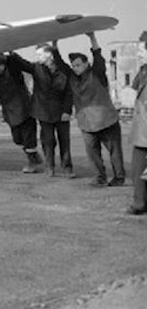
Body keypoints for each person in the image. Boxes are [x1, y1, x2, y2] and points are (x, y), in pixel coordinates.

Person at [60, 32, 125, 187]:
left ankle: (119, 177)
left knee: (114, 150)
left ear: (86, 64)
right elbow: (59, 63)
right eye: (73, 66)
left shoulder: (97, 73)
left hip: (106, 120)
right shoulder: (72, 78)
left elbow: (98, 56)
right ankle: (99, 177)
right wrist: (55, 43)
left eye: (78, 65)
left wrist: (92, 37)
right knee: (92, 153)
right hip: (87, 122)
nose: (75, 68)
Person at [10, 43, 74, 177]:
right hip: (44, 112)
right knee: (48, 141)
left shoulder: (64, 69)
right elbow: (22, 63)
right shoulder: (36, 68)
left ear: (49, 55)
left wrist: (67, 111)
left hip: (61, 112)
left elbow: (69, 92)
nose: (37, 57)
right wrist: (11, 52)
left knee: (64, 142)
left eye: (39, 54)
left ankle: (67, 168)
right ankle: (49, 167)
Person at [126, 62, 147, 215]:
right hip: (142, 131)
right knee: (138, 170)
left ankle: (140, 202)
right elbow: (135, 88)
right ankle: (139, 202)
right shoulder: (144, 70)